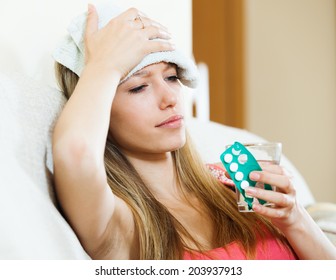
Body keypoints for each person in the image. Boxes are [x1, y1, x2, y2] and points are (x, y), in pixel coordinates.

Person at [52, 3, 336, 260]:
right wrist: (105, 64)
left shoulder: (234, 183)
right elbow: (76, 153)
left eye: (172, 77)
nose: (171, 98)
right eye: (139, 87)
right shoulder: (120, 224)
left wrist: (295, 219)